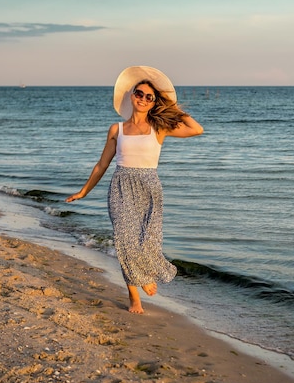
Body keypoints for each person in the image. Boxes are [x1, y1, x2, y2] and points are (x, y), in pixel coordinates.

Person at [65, 66, 203, 314]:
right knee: (124, 240)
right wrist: (83, 191)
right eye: (139, 94)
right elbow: (102, 164)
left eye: (149, 97)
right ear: (131, 95)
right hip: (121, 186)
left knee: (148, 240)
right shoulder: (116, 129)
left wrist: (172, 106)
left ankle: (143, 274)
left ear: (153, 102)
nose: (143, 99)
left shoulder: (159, 128)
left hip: (149, 187)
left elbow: (196, 129)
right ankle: (134, 296)